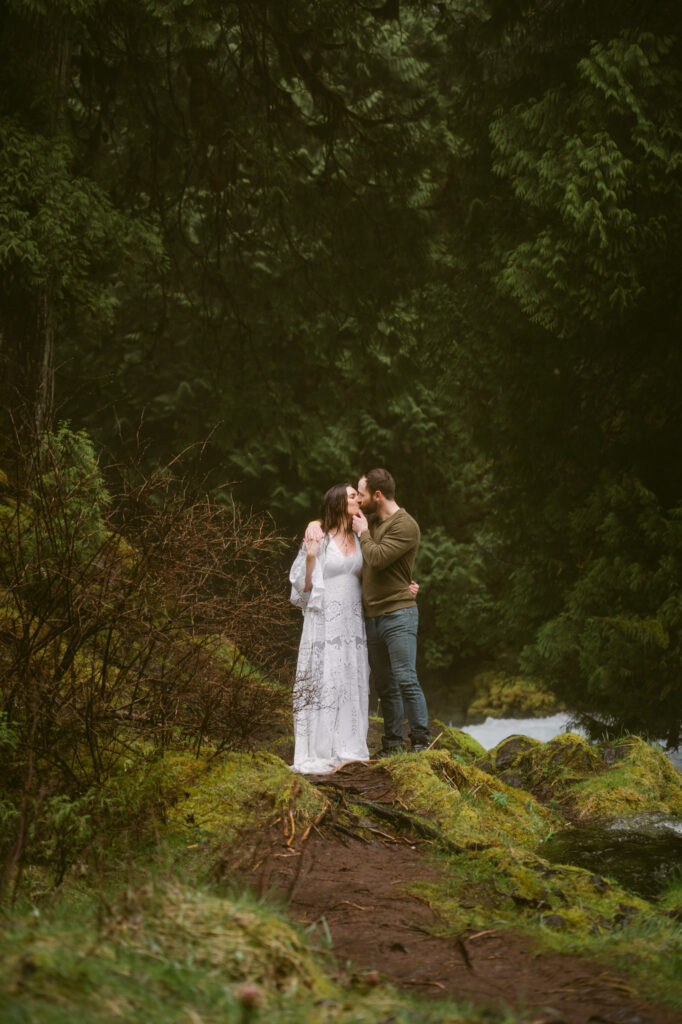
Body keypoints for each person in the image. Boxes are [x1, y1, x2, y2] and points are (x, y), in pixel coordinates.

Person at [307, 468, 430, 756]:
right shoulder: (370, 521)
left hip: (399, 614)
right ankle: (393, 744)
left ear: (377, 495)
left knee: (405, 677)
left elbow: (375, 558)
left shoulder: (405, 525)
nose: (358, 502)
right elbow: (334, 517)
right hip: (372, 616)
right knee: (385, 684)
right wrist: (313, 523)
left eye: (361, 495)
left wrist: (363, 533)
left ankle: (422, 742)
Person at [289, 483, 370, 773]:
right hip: (325, 620)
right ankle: (322, 747)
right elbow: (304, 588)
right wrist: (311, 556)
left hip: (352, 622)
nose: (358, 499)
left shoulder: (362, 535)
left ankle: (349, 744)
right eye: (351, 497)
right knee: (326, 677)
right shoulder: (319, 537)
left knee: (350, 676)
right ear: (338, 504)